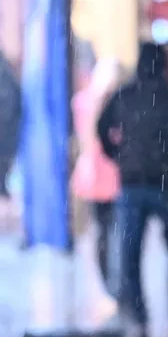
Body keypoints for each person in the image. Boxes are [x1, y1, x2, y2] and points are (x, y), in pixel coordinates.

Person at [99, 43, 168, 333]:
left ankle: (139, 317)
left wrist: (118, 156)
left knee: (131, 254)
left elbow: (101, 127)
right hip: (164, 182)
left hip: (131, 183)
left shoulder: (125, 95)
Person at [71, 58, 122, 290]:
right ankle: (109, 278)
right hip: (102, 173)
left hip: (102, 172)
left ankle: (109, 278)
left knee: (104, 228)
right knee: (106, 228)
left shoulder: (84, 102)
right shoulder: (95, 104)